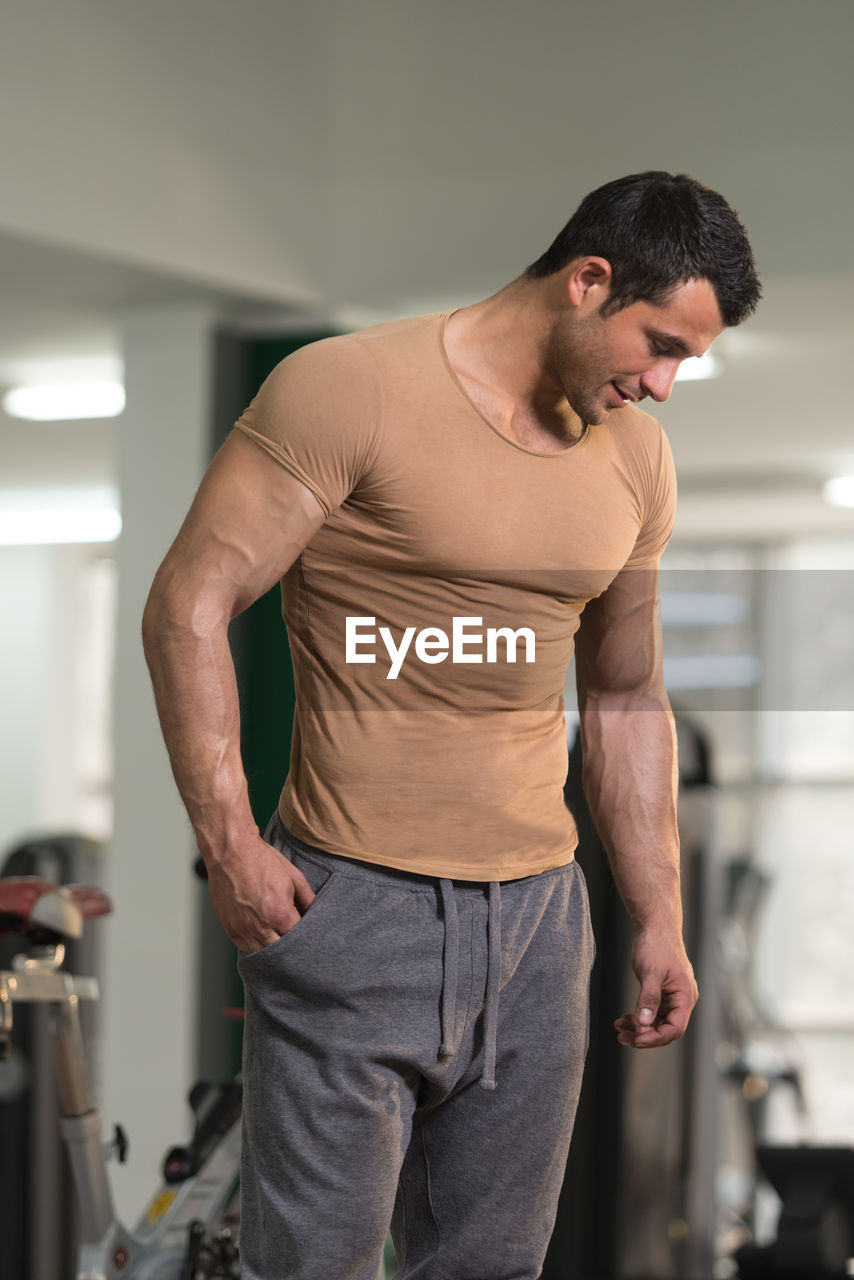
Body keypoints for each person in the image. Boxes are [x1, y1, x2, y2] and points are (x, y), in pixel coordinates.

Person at [143, 171, 760, 1280]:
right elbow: (188, 602)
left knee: (491, 1267)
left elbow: (622, 697)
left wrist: (657, 913)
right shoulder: (347, 388)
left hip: (538, 921)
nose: (662, 384)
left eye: (684, 362)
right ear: (587, 280)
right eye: (658, 343)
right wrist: (231, 844)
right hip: (352, 900)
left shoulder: (633, 458)